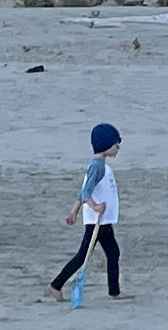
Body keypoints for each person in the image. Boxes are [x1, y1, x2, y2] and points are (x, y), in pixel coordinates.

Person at [50, 124, 126, 302]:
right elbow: (86, 193)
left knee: (113, 253)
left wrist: (74, 212)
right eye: (116, 144)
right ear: (106, 146)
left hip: (104, 221)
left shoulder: (101, 166)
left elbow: (83, 190)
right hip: (96, 221)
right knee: (83, 255)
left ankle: (114, 291)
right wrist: (95, 206)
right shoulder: (97, 167)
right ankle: (55, 286)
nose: (118, 147)